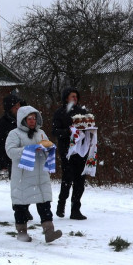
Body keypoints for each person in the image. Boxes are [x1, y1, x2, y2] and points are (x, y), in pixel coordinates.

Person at [4, 105, 62, 243]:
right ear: (23, 119)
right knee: (21, 206)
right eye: (29, 118)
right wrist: (28, 149)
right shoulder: (14, 134)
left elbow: (46, 146)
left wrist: (49, 149)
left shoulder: (41, 133)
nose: (32, 121)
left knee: (44, 203)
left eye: (34, 118)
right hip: (23, 176)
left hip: (41, 176)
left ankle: (49, 232)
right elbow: (10, 152)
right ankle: (22, 232)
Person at [52, 88, 89, 220]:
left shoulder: (82, 112)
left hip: (81, 151)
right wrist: (68, 132)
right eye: (72, 96)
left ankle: (75, 209)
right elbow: (55, 131)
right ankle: (61, 204)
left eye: (76, 96)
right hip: (67, 151)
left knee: (80, 181)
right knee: (67, 179)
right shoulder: (60, 112)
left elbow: (87, 127)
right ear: (66, 98)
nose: (75, 98)